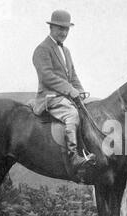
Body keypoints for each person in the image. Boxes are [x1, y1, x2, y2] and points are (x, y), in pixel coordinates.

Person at [30, 10, 95, 174]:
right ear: (51, 27)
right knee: (72, 115)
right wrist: (70, 90)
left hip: (67, 96)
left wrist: (80, 91)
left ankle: (88, 151)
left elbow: (73, 76)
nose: (64, 32)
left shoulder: (66, 51)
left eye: (66, 29)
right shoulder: (42, 49)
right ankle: (74, 157)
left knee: (89, 111)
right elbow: (47, 77)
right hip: (49, 97)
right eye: (60, 28)